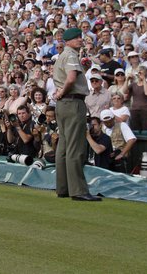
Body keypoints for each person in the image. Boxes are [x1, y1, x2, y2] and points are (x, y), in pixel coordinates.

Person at [52, 28, 101, 201]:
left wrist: (60, 94)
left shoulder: (62, 56)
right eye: (77, 38)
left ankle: (63, 188)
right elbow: (71, 78)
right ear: (68, 41)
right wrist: (62, 92)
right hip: (72, 102)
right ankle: (78, 190)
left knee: (64, 147)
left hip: (63, 104)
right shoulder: (71, 54)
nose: (80, 40)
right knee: (75, 147)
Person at [99, 109, 137, 173]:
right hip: (107, 159)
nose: (108, 123)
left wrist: (122, 154)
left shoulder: (122, 125)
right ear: (102, 122)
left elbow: (132, 139)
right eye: (106, 122)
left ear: (113, 118)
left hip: (120, 158)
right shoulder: (101, 128)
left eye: (110, 121)